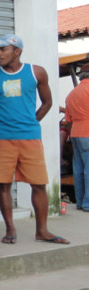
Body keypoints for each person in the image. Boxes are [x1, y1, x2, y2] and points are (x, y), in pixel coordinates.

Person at [0, 34, 68, 245]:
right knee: (3, 185)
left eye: (3, 49)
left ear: (17, 51)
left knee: (39, 184)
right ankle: (10, 229)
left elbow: (48, 102)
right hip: (1, 139)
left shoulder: (36, 72)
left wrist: (32, 122)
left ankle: (42, 230)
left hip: (30, 138)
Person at [67, 63, 89, 211]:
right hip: (87, 132)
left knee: (79, 169)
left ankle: (80, 202)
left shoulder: (72, 93)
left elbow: (68, 120)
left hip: (75, 132)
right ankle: (87, 203)